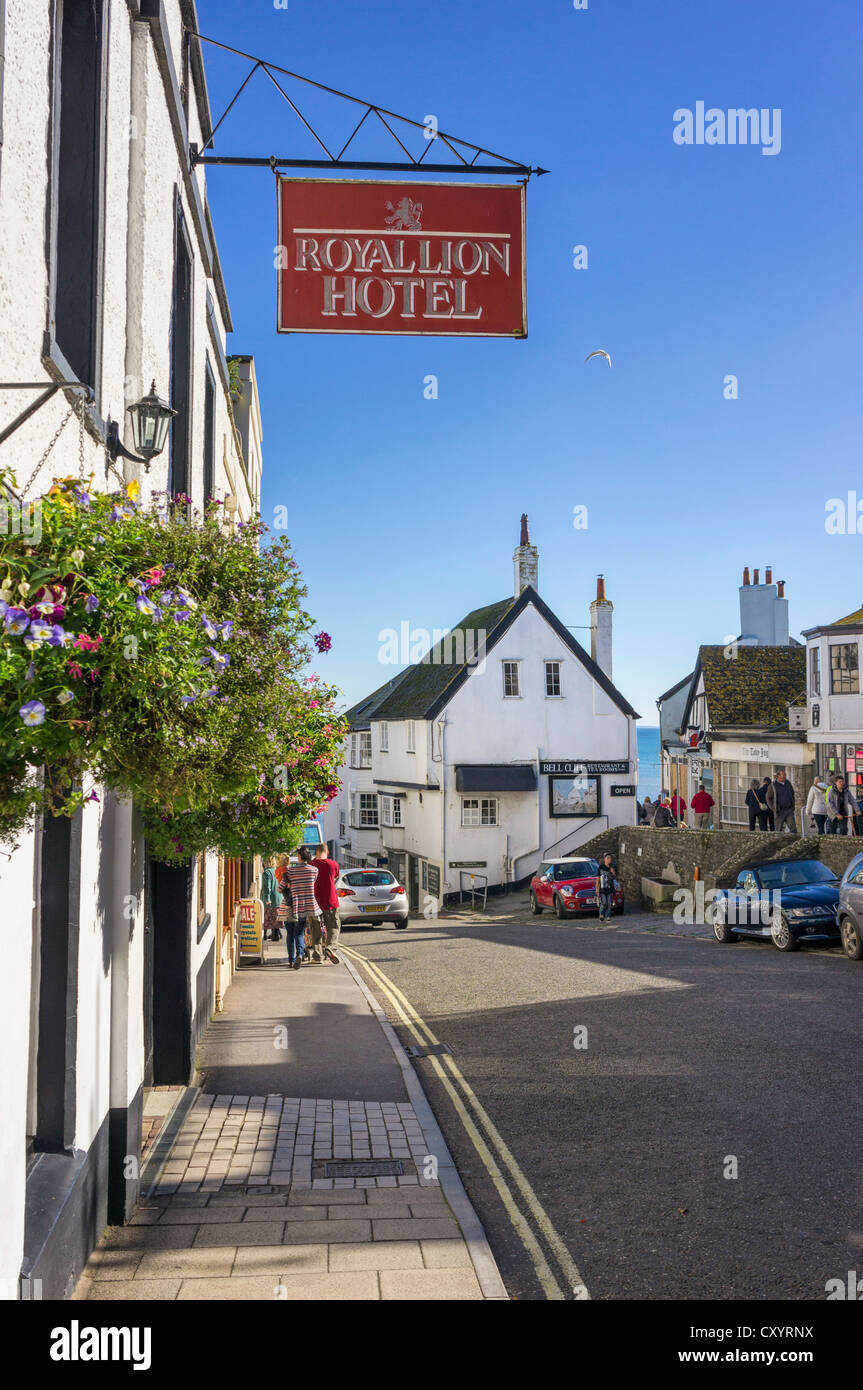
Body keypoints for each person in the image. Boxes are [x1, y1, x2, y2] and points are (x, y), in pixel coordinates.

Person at [281, 845, 320, 970]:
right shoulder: (314, 870)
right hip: (306, 906)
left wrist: (289, 886)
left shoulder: (290, 871)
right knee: (299, 932)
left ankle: (292, 960)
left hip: (291, 906)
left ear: (299, 856)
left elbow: (279, 888)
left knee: (290, 933)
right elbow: (312, 884)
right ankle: (300, 954)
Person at [311, 844, 341, 964]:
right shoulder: (333, 864)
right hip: (330, 901)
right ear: (327, 852)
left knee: (315, 928)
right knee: (334, 926)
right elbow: (336, 876)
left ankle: (317, 956)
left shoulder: (312, 864)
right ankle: (330, 947)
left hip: (315, 902)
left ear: (317, 851)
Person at [260, 856, 283, 942]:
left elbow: (267, 887)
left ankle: (265, 935)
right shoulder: (277, 870)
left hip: (270, 900)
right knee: (275, 919)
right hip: (279, 898)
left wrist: (267, 898)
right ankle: (275, 935)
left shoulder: (267, 872)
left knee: (266, 918)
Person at [767, 770, 796, 834]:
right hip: (779, 811)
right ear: (778, 776)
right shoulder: (773, 786)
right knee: (778, 830)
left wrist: (792, 805)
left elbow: (792, 794)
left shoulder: (788, 783)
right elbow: (768, 798)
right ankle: (778, 843)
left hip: (789, 810)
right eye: (783, 775)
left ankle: (794, 843)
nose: (785, 776)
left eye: (785, 775)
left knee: (793, 829)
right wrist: (774, 808)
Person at [595, 853, 617, 922]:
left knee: (609, 903)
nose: (609, 860)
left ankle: (608, 916)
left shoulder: (612, 867)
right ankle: (601, 914)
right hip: (602, 888)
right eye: (608, 858)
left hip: (609, 888)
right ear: (604, 859)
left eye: (610, 858)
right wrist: (597, 889)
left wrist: (613, 873)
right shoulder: (601, 867)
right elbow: (598, 879)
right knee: (604, 903)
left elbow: (614, 878)